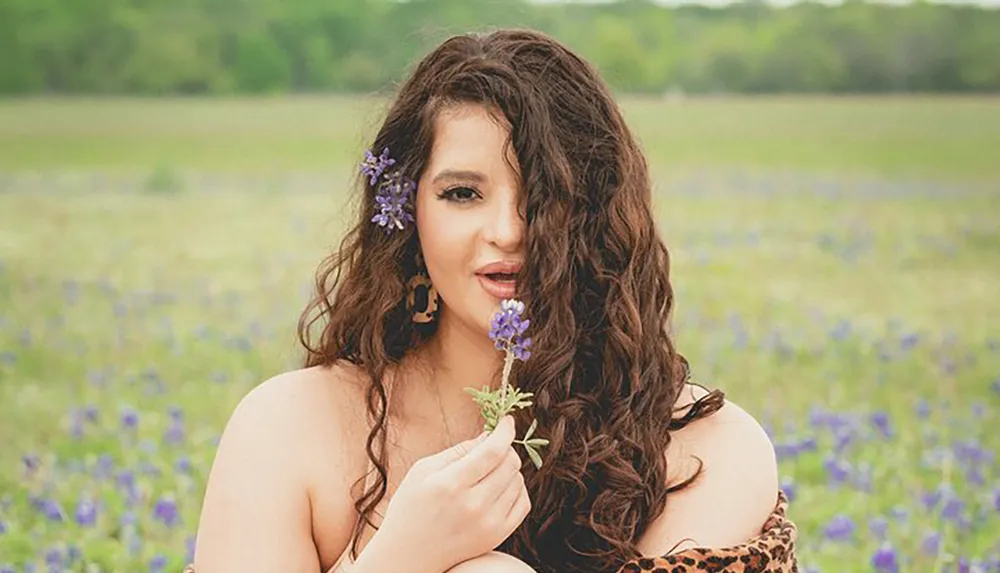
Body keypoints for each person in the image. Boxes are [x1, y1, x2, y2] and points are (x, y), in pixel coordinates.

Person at [185, 28, 797, 573]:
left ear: (601, 215)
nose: (508, 231)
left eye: (545, 193)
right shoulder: (287, 428)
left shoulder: (703, 447)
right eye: (461, 193)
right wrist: (400, 559)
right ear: (408, 213)